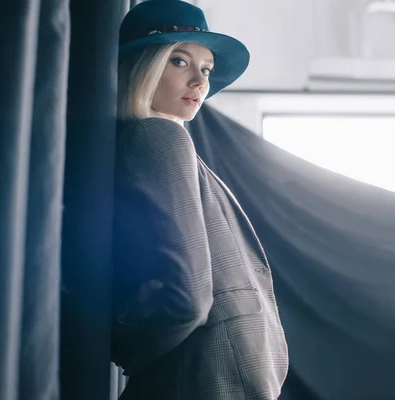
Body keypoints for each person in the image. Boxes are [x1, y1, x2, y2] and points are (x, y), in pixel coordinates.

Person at [111, 1, 289, 399]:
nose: (199, 81)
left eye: (205, 69)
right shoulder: (158, 137)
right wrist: (134, 353)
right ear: (143, 65)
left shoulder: (156, 141)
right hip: (206, 377)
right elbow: (188, 296)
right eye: (179, 61)